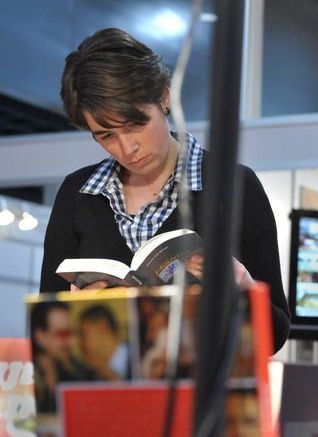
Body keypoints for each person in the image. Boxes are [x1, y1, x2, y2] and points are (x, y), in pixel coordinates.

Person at [39, 28, 290, 352]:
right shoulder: (78, 194)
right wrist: (74, 314)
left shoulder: (234, 186)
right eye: (105, 136)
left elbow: (276, 334)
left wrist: (242, 289)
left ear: (164, 96)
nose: (127, 148)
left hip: (204, 397)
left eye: (135, 124)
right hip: (108, 396)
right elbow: (44, 327)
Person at [30, 301, 92, 412]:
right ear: (40, 336)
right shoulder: (22, 379)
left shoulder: (80, 375)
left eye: (71, 333)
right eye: (62, 334)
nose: (70, 342)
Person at [78, 304, 129, 380]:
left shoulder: (140, 357)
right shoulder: (91, 375)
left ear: (103, 327)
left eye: (84, 334)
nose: (81, 343)